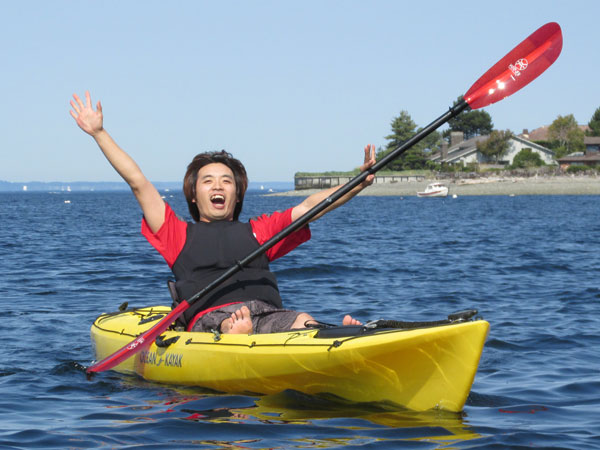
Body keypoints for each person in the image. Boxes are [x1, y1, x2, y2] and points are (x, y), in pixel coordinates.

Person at [70, 91, 375, 334]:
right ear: (193, 194)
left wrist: (358, 183)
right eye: (208, 181)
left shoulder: (260, 231)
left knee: (303, 320)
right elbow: (138, 182)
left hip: (271, 315)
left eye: (226, 181)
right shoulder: (175, 234)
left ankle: (334, 335)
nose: (219, 186)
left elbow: (311, 207)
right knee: (231, 323)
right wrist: (99, 133)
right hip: (214, 321)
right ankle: (235, 340)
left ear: (237, 193)